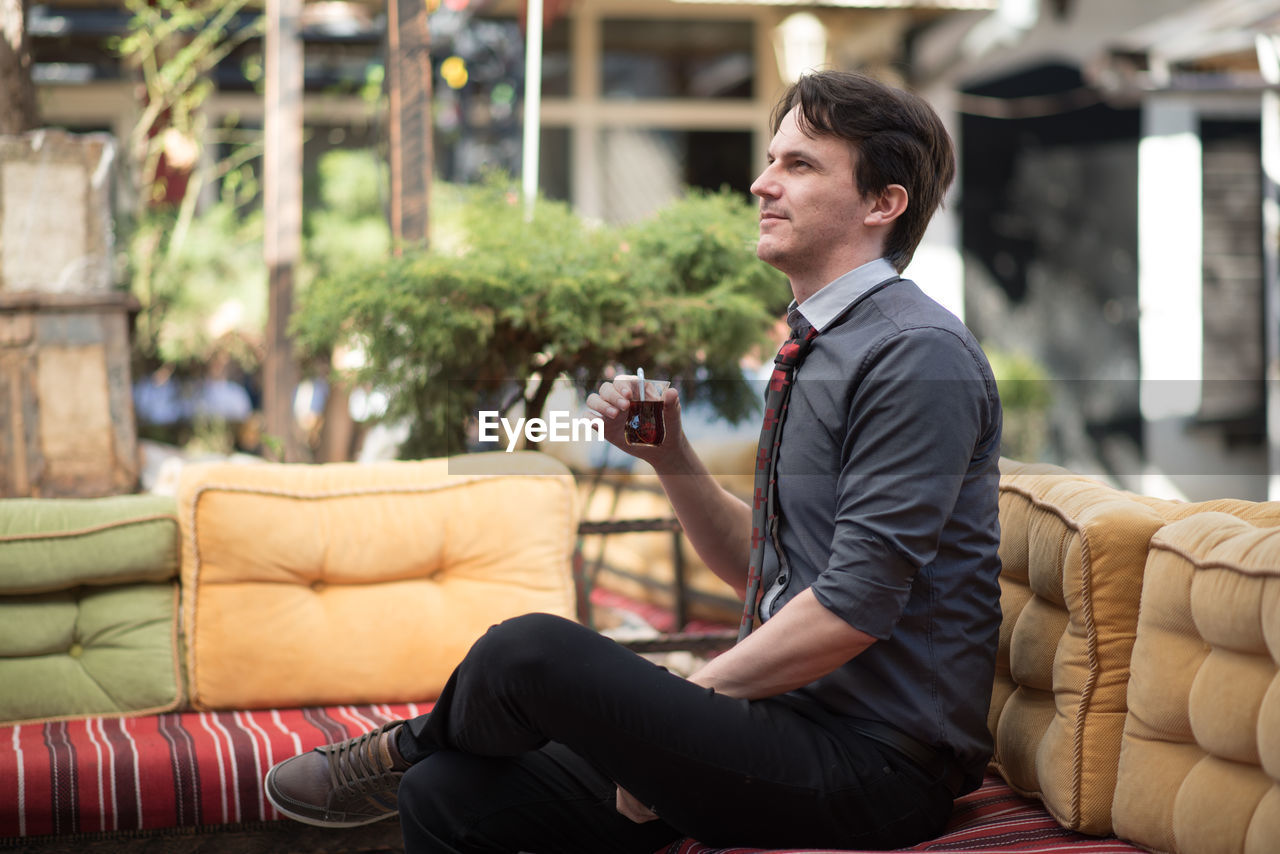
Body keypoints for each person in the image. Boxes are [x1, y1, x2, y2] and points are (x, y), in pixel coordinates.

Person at [264, 69, 1003, 853]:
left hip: (876, 768)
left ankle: (400, 746)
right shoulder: (822, 344)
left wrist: (679, 716)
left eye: (800, 165)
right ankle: (423, 760)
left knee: (533, 653)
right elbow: (764, 569)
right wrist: (672, 459)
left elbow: (854, 608)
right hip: (786, 728)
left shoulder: (915, 356)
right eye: (772, 160)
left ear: (882, 203)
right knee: (453, 795)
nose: (761, 183)